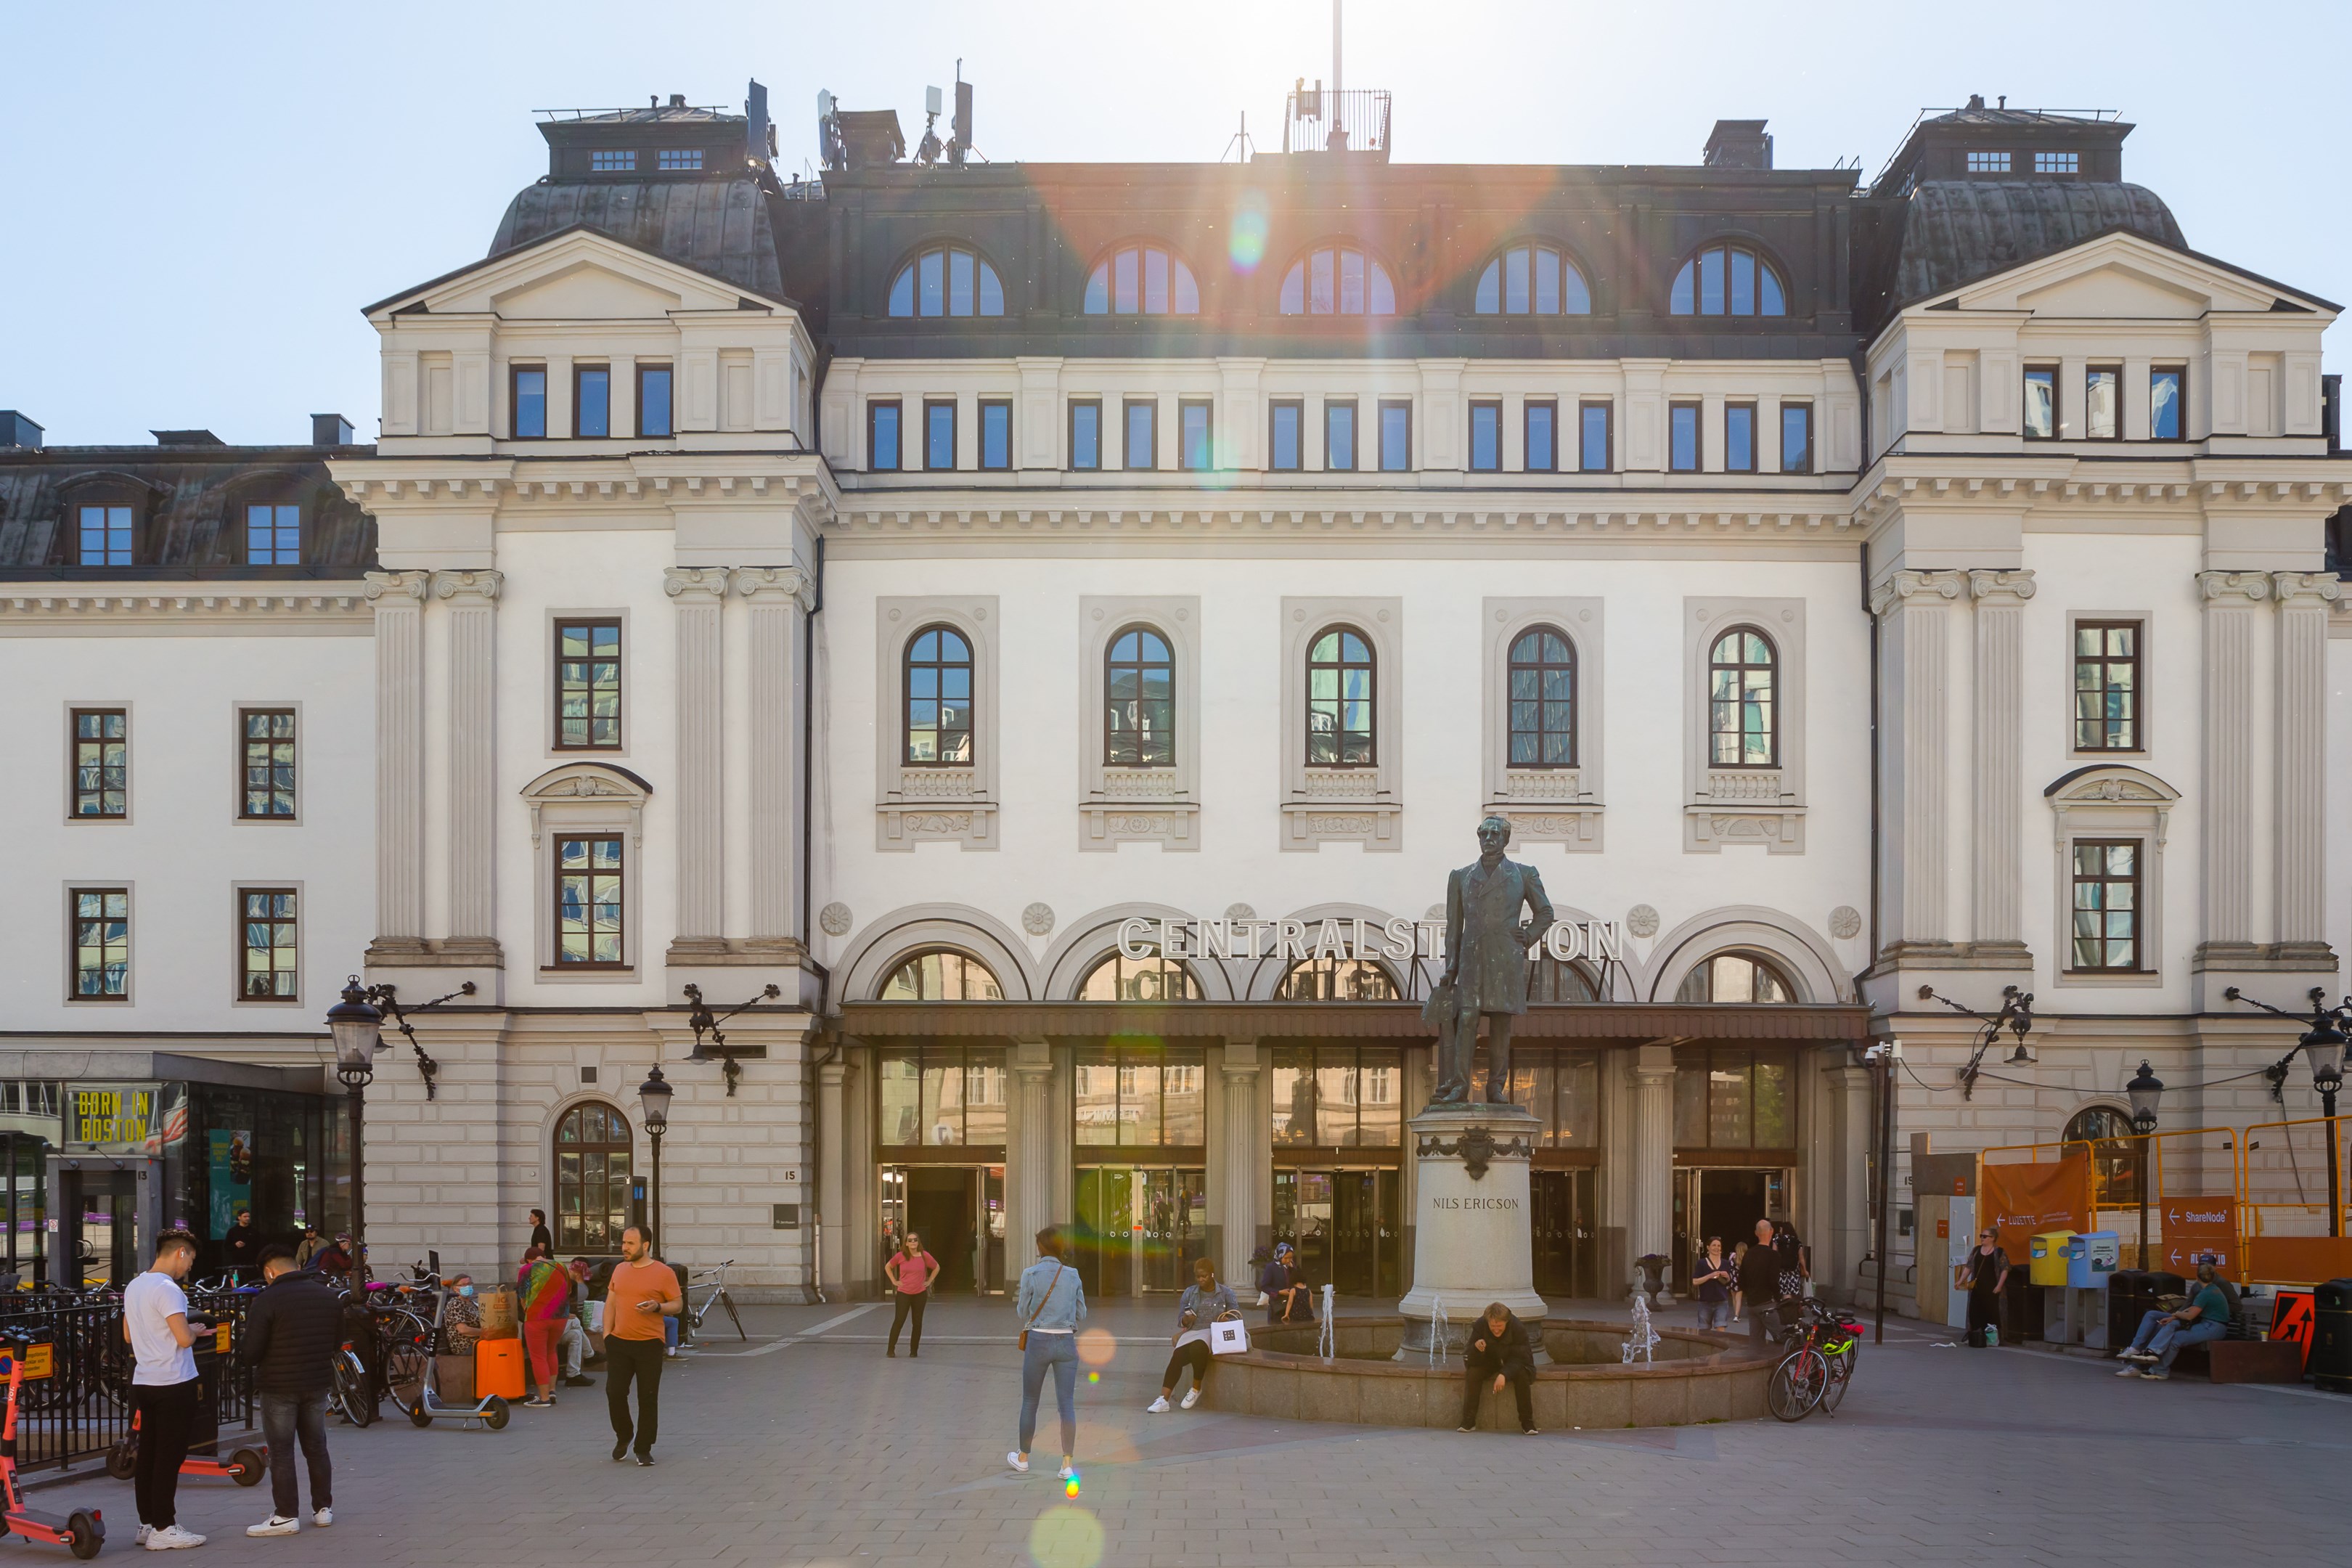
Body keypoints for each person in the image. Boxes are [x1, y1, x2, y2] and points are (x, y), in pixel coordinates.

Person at [234, 1244, 340, 1537]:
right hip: (317, 1382)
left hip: (279, 1386)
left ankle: (285, 1515)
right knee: (317, 1447)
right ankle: (323, 1510)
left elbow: (251, 1352)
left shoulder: (268, 1300)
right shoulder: (327, 1296)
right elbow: (336, 1343)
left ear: (270, 1271)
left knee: (281, 1452)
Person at [123, 1228, 207, 1551]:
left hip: (144, 1379)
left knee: (148, 1454)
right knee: (169, 1457)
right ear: (180, 1253)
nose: (189, 1268)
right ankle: (164, 1526)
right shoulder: (169, 1290)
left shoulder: (135, 1285)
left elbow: (129, 1335)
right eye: (191, 1260)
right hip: (174, 1381)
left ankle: (147, 1523)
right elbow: (183, 1338)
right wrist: (196, 1331)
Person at [1008, 1228, 1086, 1480]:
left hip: (1039, 1340)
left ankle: (1023, 1458)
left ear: (1041, 1246)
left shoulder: (1030, 1274)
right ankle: (1067, 1464)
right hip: (1065, 1342)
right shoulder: (1073, 1275)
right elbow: (1081, 1313)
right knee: (1067, 1405)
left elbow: (1023, 1312)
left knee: (1031, 1401)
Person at [604, 1225, 681, 1466]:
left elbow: (677, 1305)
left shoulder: (664, 1272)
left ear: (645, 1245)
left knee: (647, 1397)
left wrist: (658, 1307)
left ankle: (643, 1447)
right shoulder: (619, 1270)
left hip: (649, 1344)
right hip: (619, 1342)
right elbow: (611, 1303)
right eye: (624, 1243)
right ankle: (624, 1435)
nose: (624, 1247)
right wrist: (607, 1334)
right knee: (615, 1392)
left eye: (630, 1243)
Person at [1149, 1257, 1238, 1413]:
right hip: (1193, 1331)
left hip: (1214, 1331)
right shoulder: (1190, 1293)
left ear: (1212, 1274)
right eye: (1198, 1276)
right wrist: (1186, 1319)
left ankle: (1196, 1389)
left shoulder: (1226, 1293)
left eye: (1204, 1276)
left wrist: (1226, 1319)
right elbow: (1181, 1320)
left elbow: (1237, 1317)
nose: (1201, 1279)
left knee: (1198, 1347)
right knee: (1177, 1356)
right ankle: (1164, 1399)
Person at [2116, 1262, 2233, 1380]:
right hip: (2206, 1324)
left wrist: (2175, 1314)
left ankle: (2158, 1367)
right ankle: (2137, 1350)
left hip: (2212, 1327)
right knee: (2153, 1317)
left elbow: (2190, 1316)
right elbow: (2191, 1309)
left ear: (2197, 1277)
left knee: (2175, 1338)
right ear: (2213, 1276)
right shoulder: (2211, 1289)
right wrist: (2173, 1317)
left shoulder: (2206, 1293)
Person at [1458, 1302, 1538, 1435]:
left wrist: (1504, 1374)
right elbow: (1469, 1358)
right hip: (1489, 1361)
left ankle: (1527, 1421)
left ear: (1506, 1322)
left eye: (1499, 1326)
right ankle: (1469, 1420)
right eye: (1493, 1326)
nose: (1496, 1330)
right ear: (1488, 1322)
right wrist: (1476, 1348)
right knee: (1473, 1373)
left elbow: (1522, 1357)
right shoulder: (1480, 1325)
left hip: (1514, 1362)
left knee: (1523, 1375)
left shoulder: (1518, 1328)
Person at [518, 1245, 571, 1406]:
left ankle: (543, 1398)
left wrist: (527, 1309)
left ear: (528, 1260)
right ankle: (552, 1391)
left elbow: (522, 1295)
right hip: (561, 1316)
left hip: (537, 1317)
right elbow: (568, 1289)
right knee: (551, 1351)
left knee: (538, 1357)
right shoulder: (560, 1266)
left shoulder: (527, 1269)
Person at [884, 1231, 939, 1358]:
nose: (913, 1242)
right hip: (904, 1293)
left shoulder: (925, 1256)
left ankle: (914, 1351)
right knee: (899, 1320)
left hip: (920, 1294)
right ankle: (891, 1349)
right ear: (906, 1243)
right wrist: (894, 1281)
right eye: (910, 1240)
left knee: (917, 1322)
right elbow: (888, 1266)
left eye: (915, 1240)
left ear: (918, 1242)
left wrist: (930, 1281)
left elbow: (937, 1267)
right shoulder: (901, 1256)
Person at [1737, 1217, 1785, 1349]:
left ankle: (1756, 1367)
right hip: (1767, 1304)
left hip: (1752, 1304)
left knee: (1756, 1343)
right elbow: (1773, 1280)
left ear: (1756, 1233)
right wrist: (1779, 1299)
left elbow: (1740, 1281)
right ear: (1772, 1231)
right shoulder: (1773, 1255)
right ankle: (1783, 1368)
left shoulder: (1748, 1254)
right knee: (1784, 1338)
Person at [1959, 1228, 2009, 1348]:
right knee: (1974, 1312)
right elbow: (1969, 1266)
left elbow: (2005, 1269)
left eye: (1985, 1236)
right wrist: (1961, 1280)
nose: (1982, 1238)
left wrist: (1999, 1286)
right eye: (1981, 1236)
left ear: (1993, 1238)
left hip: (1992, 1288)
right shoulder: (1976, 1250)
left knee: (1992, 1313)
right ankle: (1975, 1335)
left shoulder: (1999, 1252)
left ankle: (1992, 1338)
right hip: (1977, 1288)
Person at [558, 1257, 597, 1387]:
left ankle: (573, 1374)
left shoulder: (577, 1287)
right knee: (575, 1322)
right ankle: (590, 1355)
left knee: (576, 1334)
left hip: (556, 1325)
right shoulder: (579, 1287)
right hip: (549, 1325)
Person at [1259, 1242, 1313, 1324]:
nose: (1288, 1260)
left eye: (1291, 1258)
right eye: (1286, 1258)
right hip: (1278, 1305)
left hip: (1294, 1306)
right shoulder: (1271, 1267)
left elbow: (1298, 1280)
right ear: (1280, 1256)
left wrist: (1294, 1269)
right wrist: (1279, 1292)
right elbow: (1264, 1286)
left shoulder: (1292, 1266)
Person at [1691, 1237, 1734, 1332]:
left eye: (1719, 1246)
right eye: (1714, 1245)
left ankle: (1719, 1347)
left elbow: (1728, 1282)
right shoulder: (1702, 1263)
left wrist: (1727, 1277)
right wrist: (1710, 1276)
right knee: (1704, 1330)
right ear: (1708, 1247)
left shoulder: (1726, 1263)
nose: (1716, 1248)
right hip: (1705, 1302)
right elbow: (1695, 1281)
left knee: (1721, 1327)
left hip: (1721, 1301)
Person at [225, 1209, 261, 1278]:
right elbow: (226, 1247)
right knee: (236, 1284)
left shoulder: (254, 1231)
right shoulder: (232, 1231)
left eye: (248, 1216)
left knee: (252, 1283)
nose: (247, 1218)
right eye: (245, 1217)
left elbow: (259, 1246)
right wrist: (235, 1245)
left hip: (251, 1264)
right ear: (239, 1218)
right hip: (236, 1264)